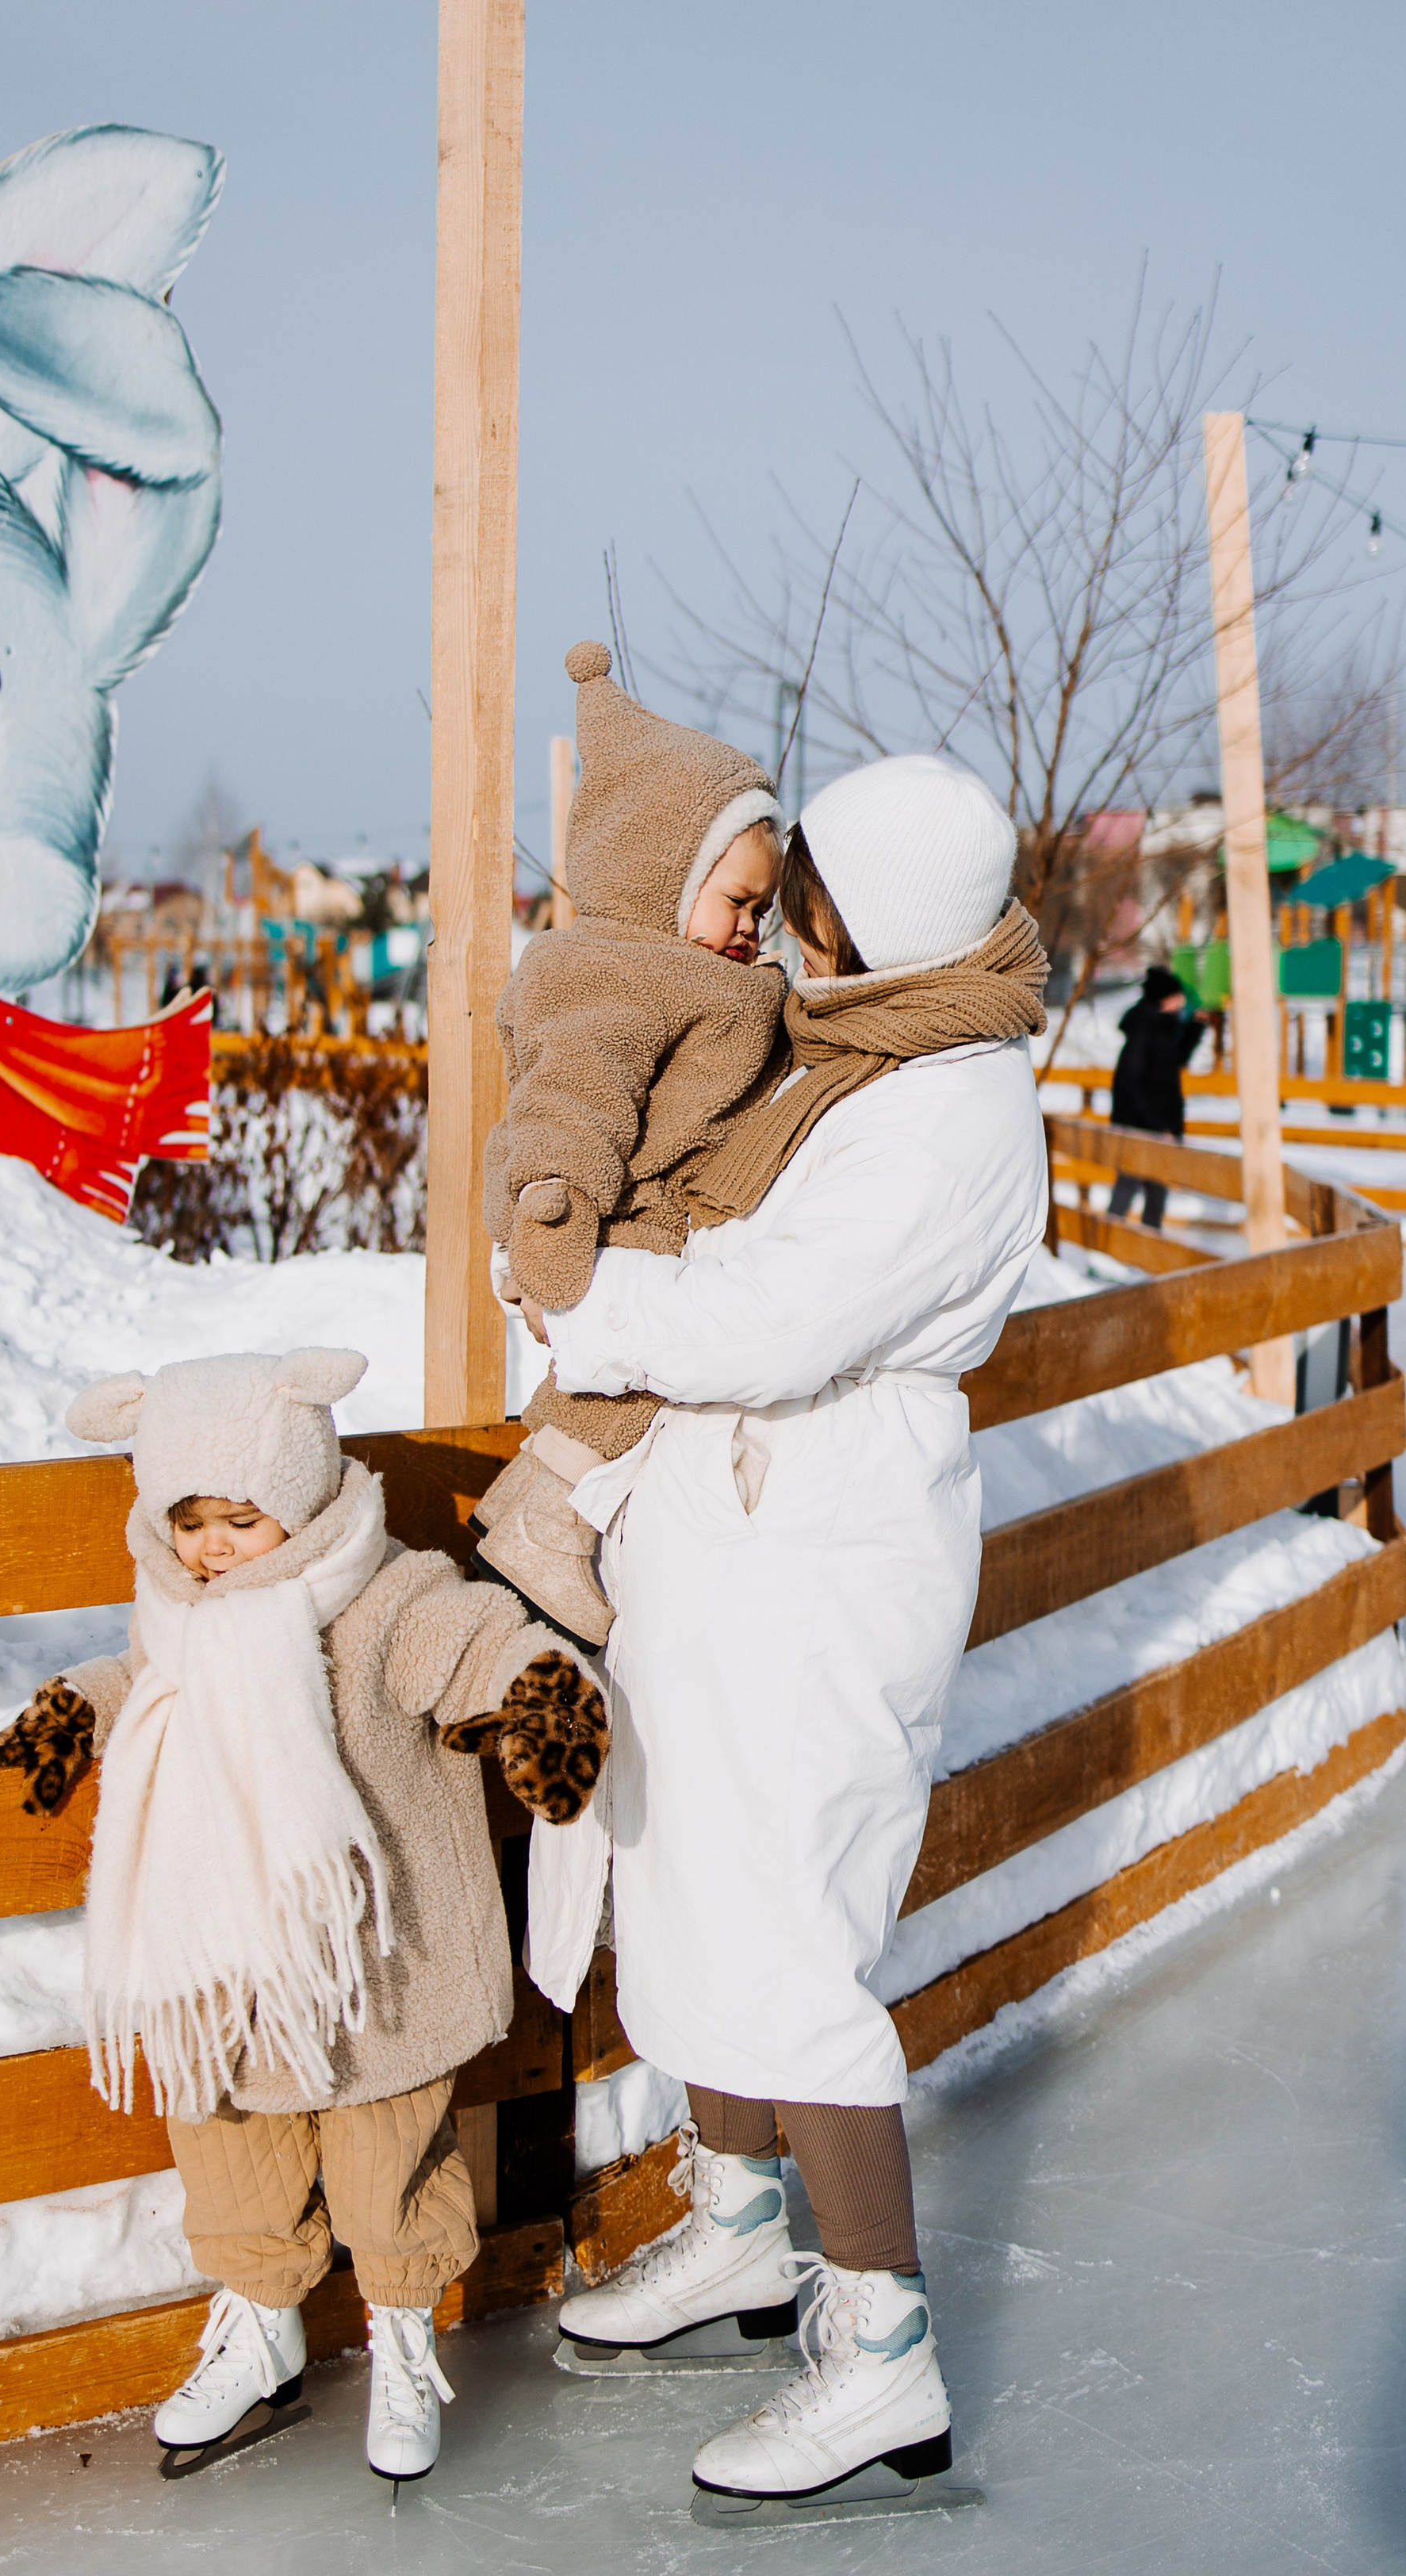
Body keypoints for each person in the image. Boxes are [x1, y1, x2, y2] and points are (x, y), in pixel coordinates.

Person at [527, 752, 1049, 2505]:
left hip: (822, 1540)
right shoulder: (863, 1052)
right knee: (687, 1885)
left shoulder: (950, 1105)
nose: (788, 925)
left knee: (784, 1934)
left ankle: (880, 2345)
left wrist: (590, 1298)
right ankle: (746, 2224)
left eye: (809, 893)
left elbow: (769, 1316)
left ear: (881, 917)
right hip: (729, 1525)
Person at [0, 1347, 606, 2486]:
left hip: (376, 1976)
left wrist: (531, 1689)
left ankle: (402, 2331)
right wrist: (73, 1714)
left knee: (386, 2166)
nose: (210, 1547)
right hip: (227, 1966)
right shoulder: (179, 1612)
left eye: (238, 1519)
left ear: (300, 1502)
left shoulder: (381, 1596)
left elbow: (466, 1638)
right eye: (189, 1520)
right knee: (230, 2156)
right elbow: (140, 1679)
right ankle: (261, 2323)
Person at [474, 641, 788, 1646]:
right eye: (735, 901)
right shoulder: (613, 971)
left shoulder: (698, 973)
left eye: (762, 908)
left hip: (636, 1202)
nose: (750, 927)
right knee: (638, 1359)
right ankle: (543, 1518)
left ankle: (544, 1510)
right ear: (662, 872)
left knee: (653, 1355)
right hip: (597, 1209)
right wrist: (552, 1208)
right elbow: (572, 1095)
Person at [1105, 963, 1203, 1231]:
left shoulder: (1160, 1028)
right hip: (1140, 1127)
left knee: (1156, 1191)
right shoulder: (1145, 1033)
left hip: (1153, 1125)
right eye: (1177, 996)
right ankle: (1107, 1248)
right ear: (1165, 999)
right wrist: (1159, 1128)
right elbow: (1131, 1086)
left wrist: (1195, 1028)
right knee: (1129, 1185)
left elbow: (1173, 1061)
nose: (1182, 1001)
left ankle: (1145, 1251)